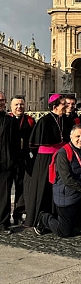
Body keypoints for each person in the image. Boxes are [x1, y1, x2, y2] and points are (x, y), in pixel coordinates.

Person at [34, 125, 81, 237]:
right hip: (67, 193)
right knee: (65, 232)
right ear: (71, 137)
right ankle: (44, 218)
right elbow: (67, 180)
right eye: (78, 136)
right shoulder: (63, 154)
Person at [25, 94, 70, 227]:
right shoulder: (44, 121)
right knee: (44, 188)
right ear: (55, 106)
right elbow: (35, 144)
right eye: (63, 104)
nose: (66, 106)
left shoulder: (63, 120)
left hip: (60, 158)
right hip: (46, 160)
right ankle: (41, 217)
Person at [9, 95, 35, 225]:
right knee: (5, 189)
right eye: (17, 105)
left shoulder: (30, 120)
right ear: (11, 106)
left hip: (23, 158)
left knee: (21, 187)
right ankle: (4, 215)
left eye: (21, 104)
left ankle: (19, 212)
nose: (19, 107)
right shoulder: (7, 119)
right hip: (9, 159)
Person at [0, 92, 19, 234]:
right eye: (0, 100)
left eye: (3, 100)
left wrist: (12, 159)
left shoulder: (10, 121)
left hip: (6, 163)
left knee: (5, 195)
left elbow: (15, 142)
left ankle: (3, 223)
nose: (2, 103)